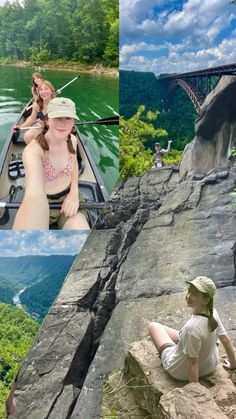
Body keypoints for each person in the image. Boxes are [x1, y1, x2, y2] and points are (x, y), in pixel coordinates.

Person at [13, 97, 90, 231]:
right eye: (57, 117)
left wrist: (73, 193)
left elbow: (74, 164)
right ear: (47, 120)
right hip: (45, 202)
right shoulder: (34, 151)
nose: (63, 124)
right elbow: (34, 197)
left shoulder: (72, 139)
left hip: (69, 198)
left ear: (73, 121)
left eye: (68, 118)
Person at [148, 276, 236, 382]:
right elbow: (225, 340)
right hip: (210, 365)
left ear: (206, 300)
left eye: (195, 294)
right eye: (189, 291)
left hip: (180, 371)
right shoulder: (213, 313)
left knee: (153, 326)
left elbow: (192, 363)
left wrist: (195, 390)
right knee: (186, 335)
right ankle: (184, 342)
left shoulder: (192, 328)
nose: (188, 296)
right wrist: (233, 364)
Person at [13, 80, 56, 144]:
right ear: (39, 93)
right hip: (42, 128)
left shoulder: (57, 103)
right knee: (28, 136)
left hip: (55, 129)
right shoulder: (37, 105)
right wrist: (21, 127)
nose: (43, 91)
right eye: (41, 90)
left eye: (46, 89)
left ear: (51, 91)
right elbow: (32, 118)